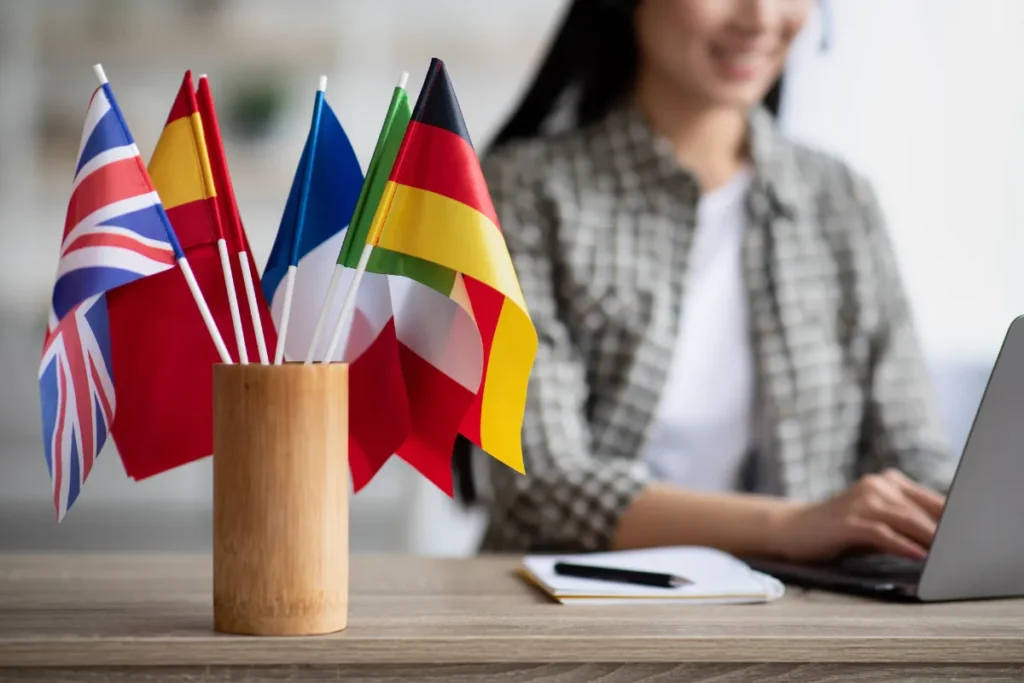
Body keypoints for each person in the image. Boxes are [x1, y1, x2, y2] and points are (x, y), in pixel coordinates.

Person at [456, 0, 958, 562]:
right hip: (573, 612)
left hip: (806, 618)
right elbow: (540, 482)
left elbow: (914, 454)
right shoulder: (523, 192)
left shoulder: (842, 199)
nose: (762, 18)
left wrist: (959, 517)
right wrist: (794, 525)